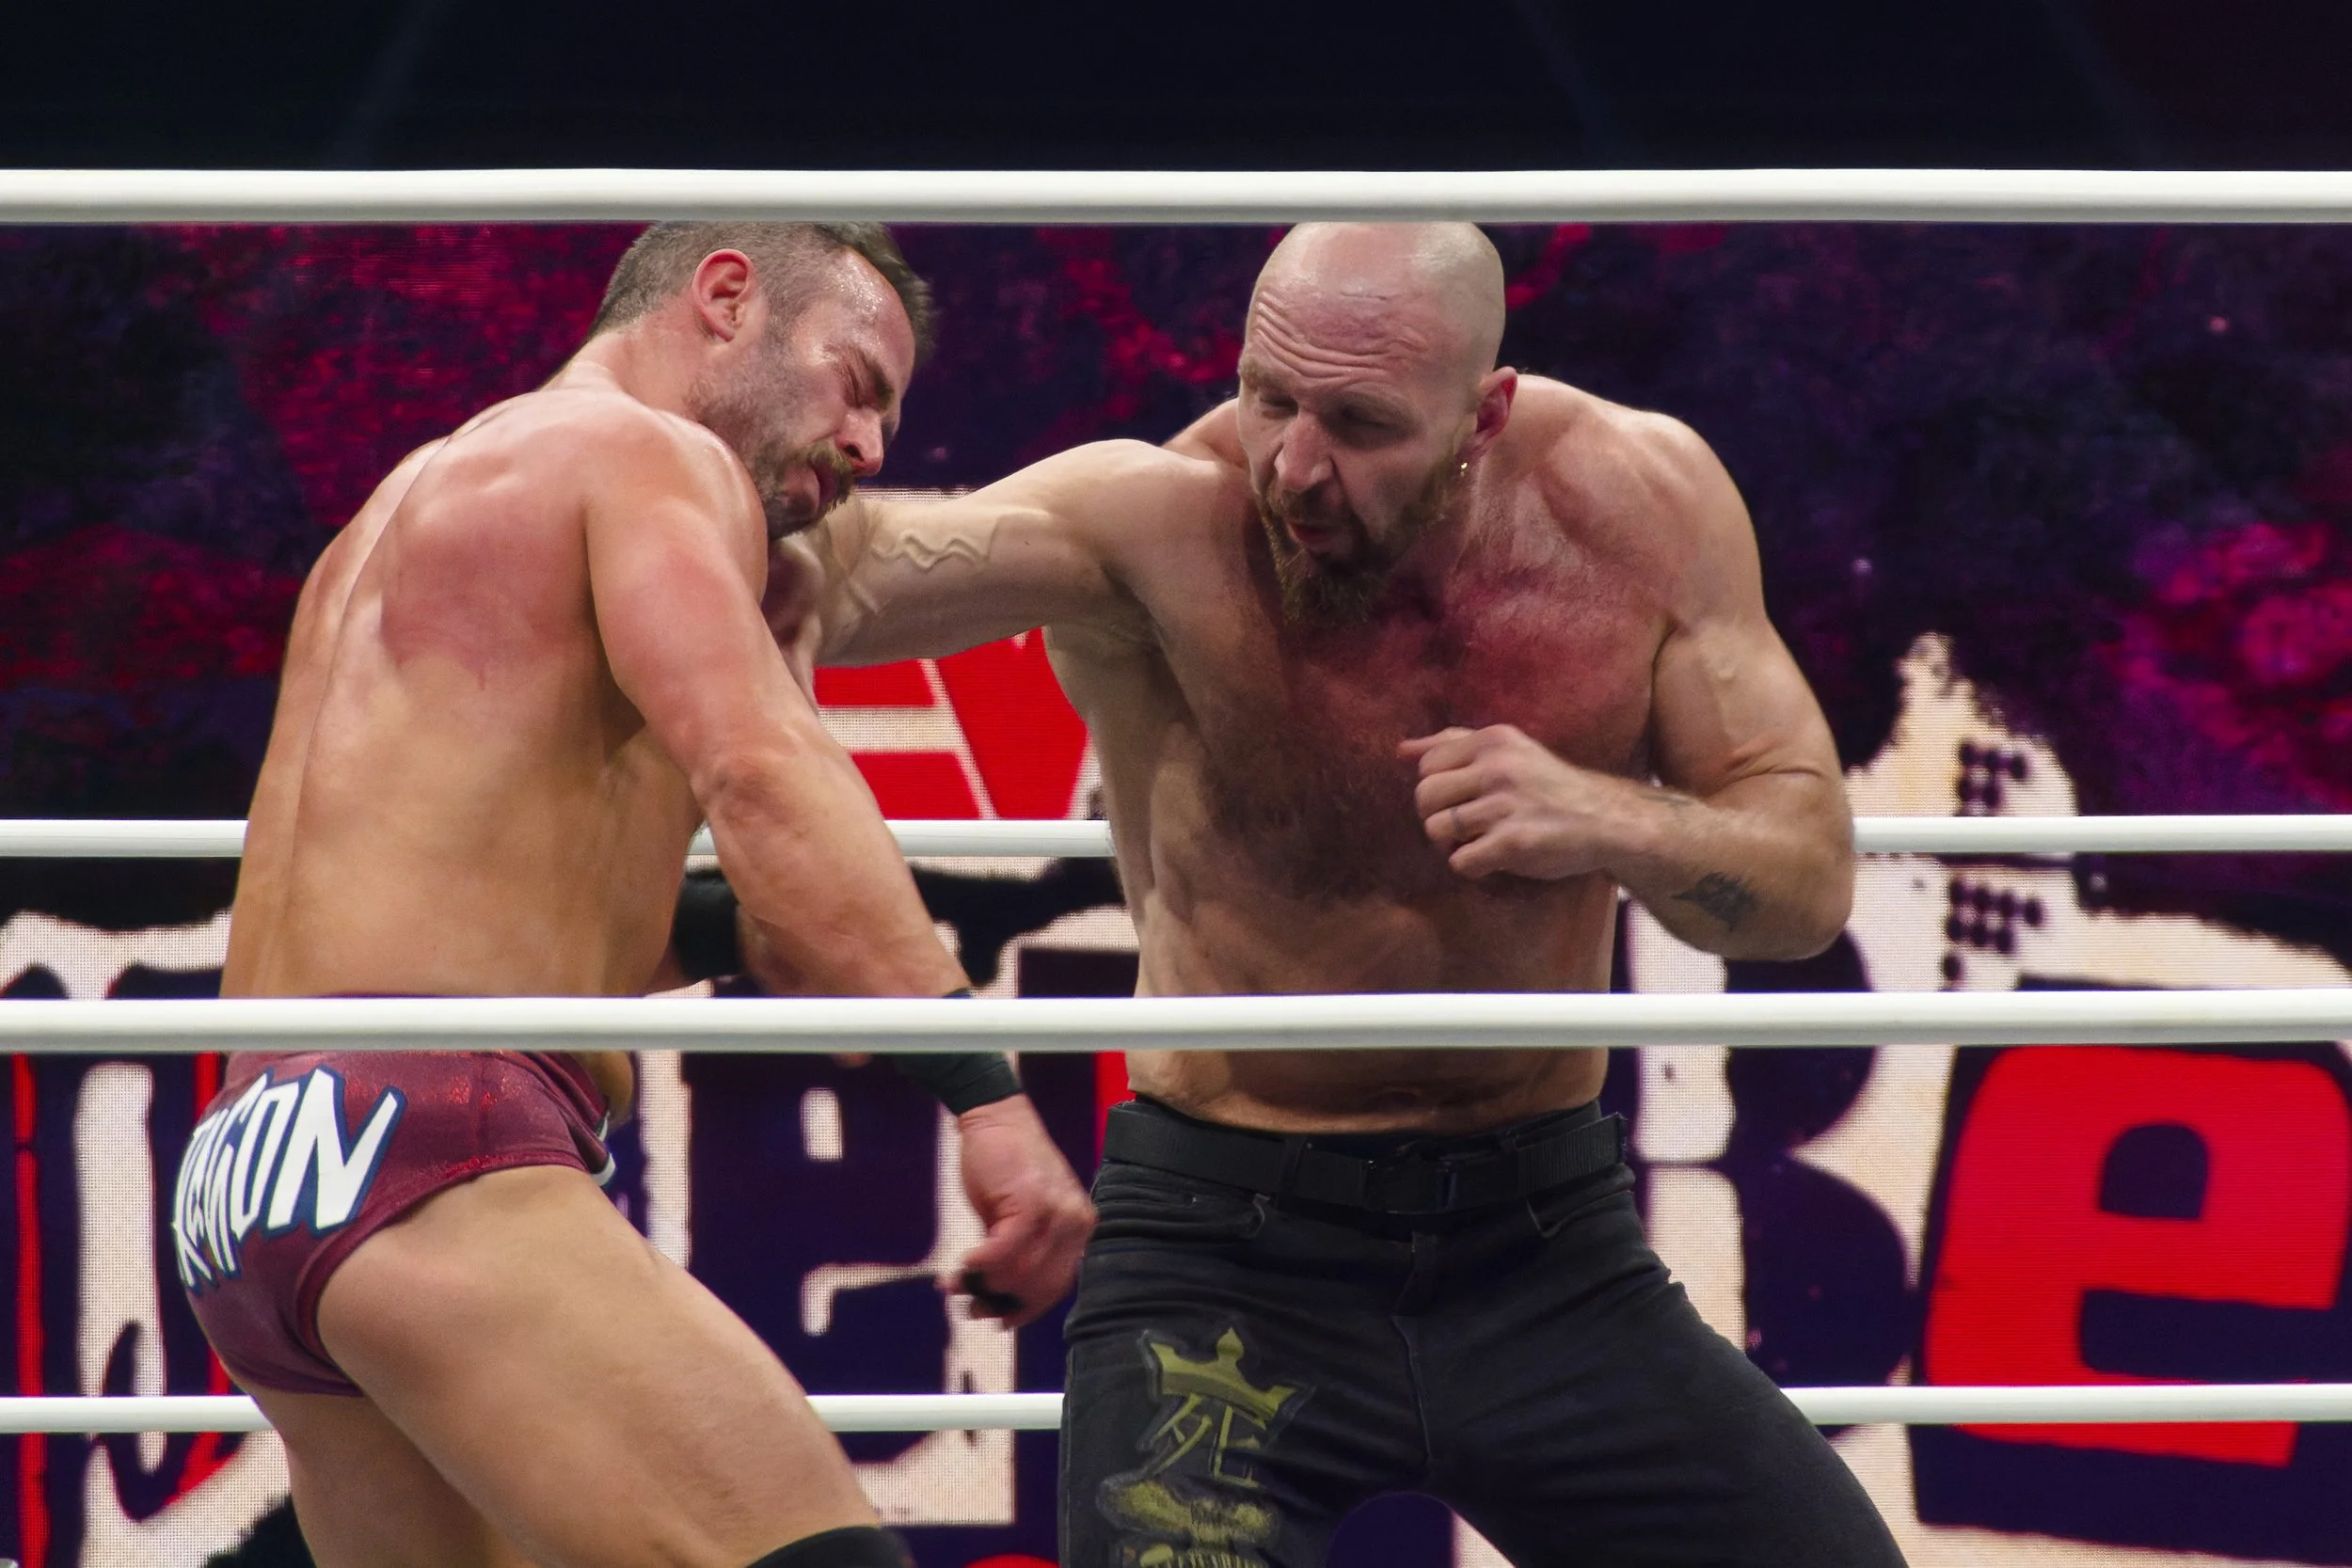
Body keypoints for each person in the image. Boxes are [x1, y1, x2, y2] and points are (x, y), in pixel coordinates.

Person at [736, 221, 1901, 1565]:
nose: (1292, 463)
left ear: (1484, 412)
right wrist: (676, 464)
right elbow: (855, 565)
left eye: (1359, 423)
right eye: (1268, 396)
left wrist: (1602, 815)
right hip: (1227, 1261)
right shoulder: (1162, 517)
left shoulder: (1638, 506)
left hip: (1545, 1252)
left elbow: (1804, 886)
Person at [171, 222, 1094, 1568]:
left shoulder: (394, 515)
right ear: (725, 298)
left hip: (252, 1176)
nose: (869, 445)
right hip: (426, 1148)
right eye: (856, 384)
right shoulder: (646, 453)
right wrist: (987, 1095)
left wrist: (756, 928)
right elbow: (763, 771)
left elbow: (514, 903)